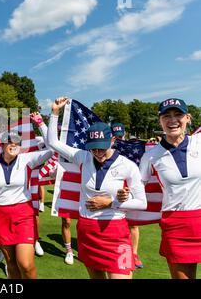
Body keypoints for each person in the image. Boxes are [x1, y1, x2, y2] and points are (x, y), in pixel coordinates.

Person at [47, 97, 147, 279]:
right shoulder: (83, 157)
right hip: (87, 230)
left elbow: (142, 203)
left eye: (102, 148)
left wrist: (111, 203)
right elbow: (53, 142)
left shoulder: (128, 165)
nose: (98, 153)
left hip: (116, 232)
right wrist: (55, 112)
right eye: (94, 148)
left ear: (113, 141)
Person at [0, 112, 55, 279]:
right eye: (10, 142)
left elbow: (52, 148)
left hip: (23, 214)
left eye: (17, 142)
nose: (14, 145)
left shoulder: (26, 159)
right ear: (2, 145)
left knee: (26, 265)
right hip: (1, 215)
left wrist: (41, 123)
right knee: (12, 265)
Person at [139, 98, 201, 279]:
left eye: (178, 114)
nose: (172, 120)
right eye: (166, 116)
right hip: (175, 224)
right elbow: (137, 189)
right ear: (160, 121)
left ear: (188, 118)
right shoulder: (150, 156)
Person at [111, 122, 144, 269]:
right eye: (115, 136)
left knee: (134, 224)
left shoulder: (135, 147)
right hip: (113, 189)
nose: (119, 138)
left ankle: (134, 253)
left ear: (124, 133)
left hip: (130, 188)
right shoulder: (106, 148)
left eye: (120, 135)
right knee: (114, 221)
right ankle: (115, 250)